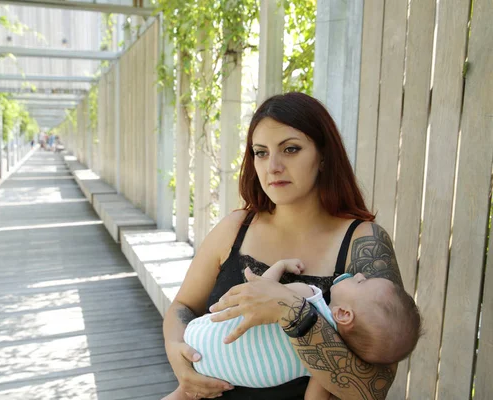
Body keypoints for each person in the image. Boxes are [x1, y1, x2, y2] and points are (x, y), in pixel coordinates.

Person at [162, 92, 407, 400]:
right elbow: (183, 306)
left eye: (290, 149)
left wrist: (293, 312)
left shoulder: (364, 241)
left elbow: (375, 387)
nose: (273, 166)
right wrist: (176, 354)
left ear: (323, 156)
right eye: (261, 152)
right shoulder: (235, 227)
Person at [163, 259, 421, 400]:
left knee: (182, 393)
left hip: (203, 336)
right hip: (223, 376)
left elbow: (263, 291)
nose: (357, 275)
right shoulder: (328, 364)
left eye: (361, 282)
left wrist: (280, 266)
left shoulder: (308, 298)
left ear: (343, 313)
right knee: (185, 395)